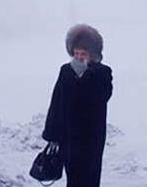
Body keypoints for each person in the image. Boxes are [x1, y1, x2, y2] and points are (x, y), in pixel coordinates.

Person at [42, 24, 113, 187]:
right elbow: (56, 102)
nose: (79, 57)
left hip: (91, 138)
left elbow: (102, 97)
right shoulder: (66, 71)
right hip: (69, 139)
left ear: (92, 55)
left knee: (90, 178)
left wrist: (85, 76)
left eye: (83, 54)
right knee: (73, 179)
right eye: (76, 53)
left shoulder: (102, 73)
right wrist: (52, 134)